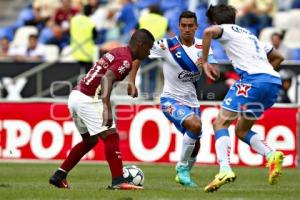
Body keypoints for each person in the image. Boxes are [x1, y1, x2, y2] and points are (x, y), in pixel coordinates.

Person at [49, 29, 155, 190]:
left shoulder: (120, 52)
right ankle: (118, 181)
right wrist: (106, 108)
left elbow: (130, 63)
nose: (149, 53)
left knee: (89, 141)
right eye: (148, 48)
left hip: (76, 96)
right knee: (111, 136)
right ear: (140, 45)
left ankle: (59, 176)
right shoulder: (125, 60)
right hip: (89, 99)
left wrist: (131, 82)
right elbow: (107, 79)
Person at [128, 11, 218, 187]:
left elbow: (215, 71)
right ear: (178, 26)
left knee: (196, 143)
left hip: (192, 102)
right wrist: (131, 80)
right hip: (170, 100)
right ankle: (182, 168)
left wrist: (208, 66)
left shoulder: (203, 46)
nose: (186, 29)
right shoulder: (166, 45)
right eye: (183, 25)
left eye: (190, 26)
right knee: (195, 125)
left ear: (196, 27)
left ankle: (183, 173)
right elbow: (138, 54)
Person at [201, 4, 285, 192]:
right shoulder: (249, 36)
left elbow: (207, 32)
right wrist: (266, 75)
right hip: (272, 82)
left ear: (216, 20)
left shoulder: (226, 30)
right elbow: (278, 57)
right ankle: (271, 155)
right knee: (241, 131)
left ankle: (224, 170)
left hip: (253, 81)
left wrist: (204, 62)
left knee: (220, 124)